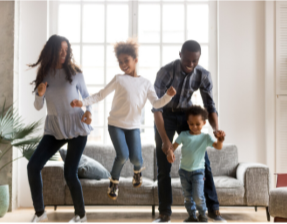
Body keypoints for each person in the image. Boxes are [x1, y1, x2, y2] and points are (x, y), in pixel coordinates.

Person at [71, 39, 176, 200]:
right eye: (120, 62)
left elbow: (156, 103)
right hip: (115, 125)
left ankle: (137, 171)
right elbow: (101, 94)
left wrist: (168, 96)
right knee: (122, 155)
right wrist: (82, 102)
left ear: (135, 60)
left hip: (133, 126)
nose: (123, 64)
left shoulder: (145, 83)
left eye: (126, 60)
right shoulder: (119, 79)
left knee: (135, 158)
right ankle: (114, 182)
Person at [153, 40, 227, 222]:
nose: (190, 64)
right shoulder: (165, 72)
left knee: (204, 162)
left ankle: (214, 209)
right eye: (187, 60)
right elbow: (156, 109)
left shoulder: (203, 75)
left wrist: (216, 129)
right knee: (164, 164)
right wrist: (165, 140)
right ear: (180, 54)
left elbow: (210, 106)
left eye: (195, 61)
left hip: (187, 116)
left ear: (199, 58)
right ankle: (164, 214)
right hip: (165, 116)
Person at [27, 35, 92, 223]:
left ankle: (81, 215)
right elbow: (38, 106)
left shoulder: (75, 72)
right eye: (60, 50)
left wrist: (89, 113)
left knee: (70, 173)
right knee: (33, 166)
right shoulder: (44, 73)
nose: (64, 54)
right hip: (55, 128)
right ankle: (40, 212)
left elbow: (87, 97)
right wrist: (40, 94)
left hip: (77, 126)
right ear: (52, 50)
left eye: (66, 50)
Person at [167, 106, 225, 222]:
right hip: (184, 171)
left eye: (197, 124)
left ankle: (202, 215)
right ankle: (192, 216)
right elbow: (172, 147)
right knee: (188, 197)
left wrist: (220, 140)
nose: (194, 127)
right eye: (191, 124)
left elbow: (218, 147)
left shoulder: (206, 137)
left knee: (198, 197)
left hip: (198, 172)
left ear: (204, 123)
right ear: (187, 122)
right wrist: (169, 152)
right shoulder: (183, 135)